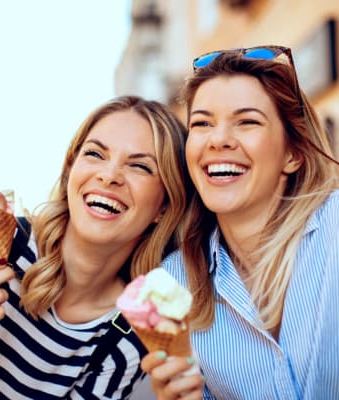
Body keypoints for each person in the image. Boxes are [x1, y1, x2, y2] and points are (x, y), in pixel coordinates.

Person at [0, 95, 190, 399]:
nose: (109, 176)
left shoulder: (125, 338)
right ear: (71, 169)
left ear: (164, 206)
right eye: (96, 154)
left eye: (139, 166)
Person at [141, 46, 339, 399]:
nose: (218, 140)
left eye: (247, 121)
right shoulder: (173, 283)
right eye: (202, 123)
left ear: (292, 153)